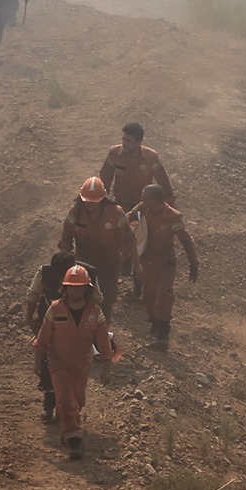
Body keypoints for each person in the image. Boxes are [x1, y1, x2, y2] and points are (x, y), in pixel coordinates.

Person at [33, 264, 118, 459]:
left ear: (86, 288)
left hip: (82, 363)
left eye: (79, 286)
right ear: (65, 288)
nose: (75, 290)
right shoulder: (54, 309)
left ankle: (69, 429)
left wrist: (106, 369)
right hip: (58, 363)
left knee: (78, 400)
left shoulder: (95, 313)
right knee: (65, 399)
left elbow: (104, 343)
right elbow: (42, 339)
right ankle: (75, 441)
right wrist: (38, 362)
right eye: (71, 286)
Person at [99, 123, 176, 298]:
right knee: (110, 244)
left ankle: (138, 289)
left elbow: (165, 186)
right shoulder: (114, 154)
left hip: (144, 209)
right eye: (123, 139)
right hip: (121, 207)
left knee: (142, 249)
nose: (124, 144)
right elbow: (104, 181)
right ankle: (106, 286)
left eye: (129, 141)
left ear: (139, 142)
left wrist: (169, 214)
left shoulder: (151, 158)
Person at [22, 250, 91, 421]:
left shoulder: (85, 275)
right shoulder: (44, 273)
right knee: (48, 365)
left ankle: (66, 409)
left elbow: (96, 301)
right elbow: (33, 297)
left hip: (74, 327)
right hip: (50, 323)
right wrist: (30, 319)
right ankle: (49, 405)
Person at [132, 184, 198, 349]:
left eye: (145, 196)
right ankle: (155, 325)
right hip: (147, 260)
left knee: (163, 296)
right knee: (149, 295)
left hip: (164, 262)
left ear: (155, 200)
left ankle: (163, 337)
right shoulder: (143, 208)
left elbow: (186, 240)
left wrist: (194, 263)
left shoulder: (171, 217)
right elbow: (127, 217)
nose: (141, 199)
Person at [57, 176, 134, 314]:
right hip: (82, 264)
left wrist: (122, 260)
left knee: (105, 302)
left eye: (94, 202)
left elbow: (127, 240)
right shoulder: (75, 212)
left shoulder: (116, 213)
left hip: (108, 266)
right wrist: (65, 261)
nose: (90, 205)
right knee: (79, 301)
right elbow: (66, 238)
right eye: (87, 201)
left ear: (103, 198)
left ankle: (102, 331)